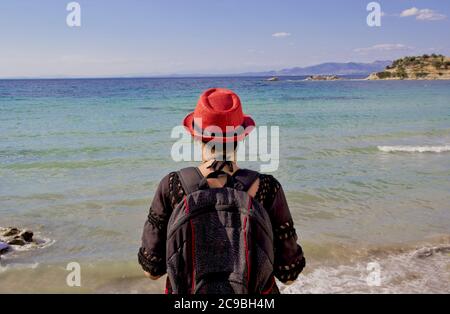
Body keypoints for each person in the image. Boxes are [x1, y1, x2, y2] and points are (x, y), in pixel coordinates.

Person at [138, 88, 305, 294]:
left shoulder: (172, 186)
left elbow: (152, 271)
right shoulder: (267, 189)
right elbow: (289, 276)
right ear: (240, 137)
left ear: (196, 137)